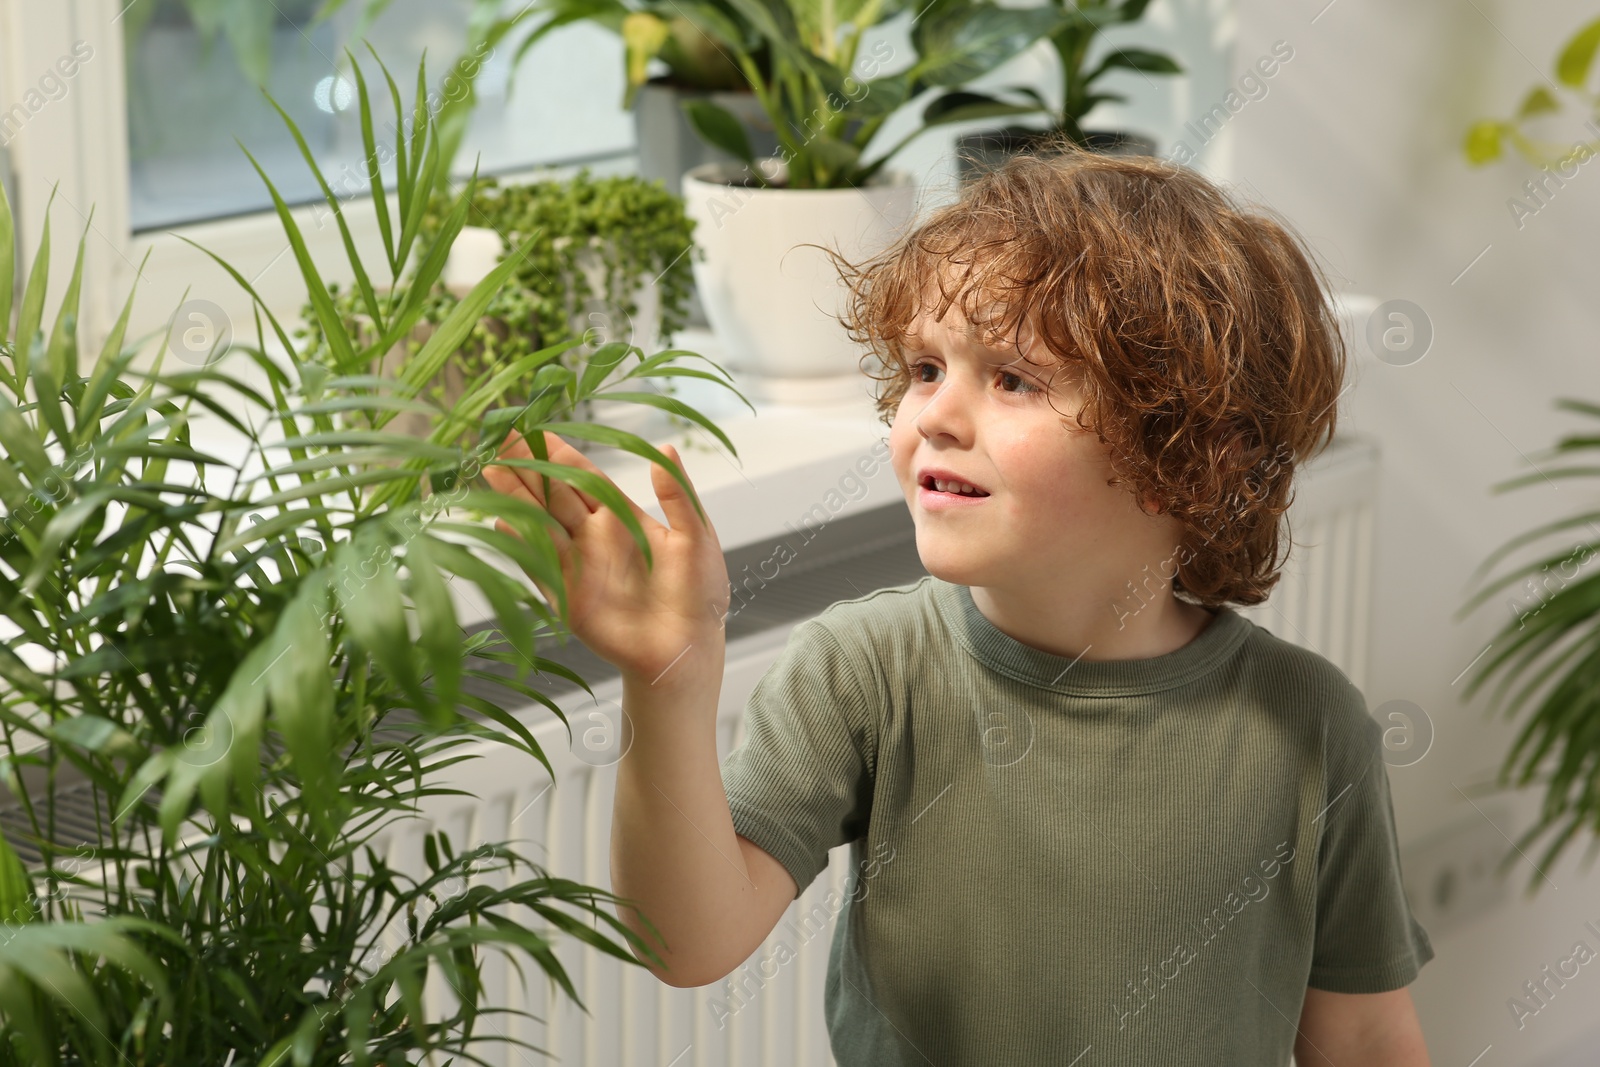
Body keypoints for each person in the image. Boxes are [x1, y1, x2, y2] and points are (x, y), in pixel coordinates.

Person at [482, 136, 1434, 1066]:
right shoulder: (863, 672)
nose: (932, 413)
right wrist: (669, 677)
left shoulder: (1311, 727)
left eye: (1013, 378)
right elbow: (684, 942)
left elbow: (1363, 1038)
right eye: (926, 368)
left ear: (1186, 455)